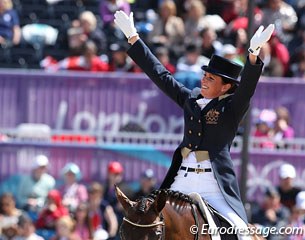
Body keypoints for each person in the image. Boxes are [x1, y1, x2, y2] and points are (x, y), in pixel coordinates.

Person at [114, 10, 274, 240]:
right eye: (205, 75)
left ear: (226, 87)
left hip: (213, 185)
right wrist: (133, 38)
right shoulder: (191, 99)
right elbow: (162, 76)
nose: (204, 80)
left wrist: (252, 54)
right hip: (181, 180)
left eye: (211, 78)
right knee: (144, 222)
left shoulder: (231, 109)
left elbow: (247, 88)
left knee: (241, 234)